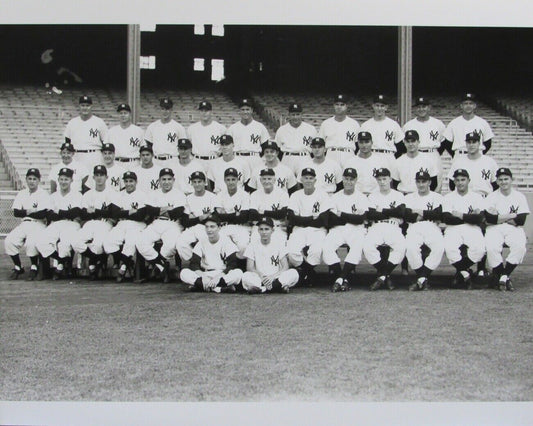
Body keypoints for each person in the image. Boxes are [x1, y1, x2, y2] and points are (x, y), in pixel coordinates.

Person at [135, 168, 187, 283]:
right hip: (157, 222)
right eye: (163, 179)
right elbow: (149, 211)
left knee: (171, 245)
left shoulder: (179, 194)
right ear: (159, 180)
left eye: (169, 179)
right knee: (140, 241)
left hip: (173, 224)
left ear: (173, 180)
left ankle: (158, 265)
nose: (166, 182)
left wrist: (158, 209)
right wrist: (167, 209)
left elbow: (177, 212)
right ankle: (161, 265)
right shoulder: (154, 193)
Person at [322, 168, 370, 292]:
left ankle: (340, 278)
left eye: (351, 179)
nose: (348, 182)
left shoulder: (361, 197)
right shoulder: (335, 196)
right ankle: (343, 278)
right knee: (326, 247)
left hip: (356, 229)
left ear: (356, 180)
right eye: (346, 179)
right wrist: (350, 217)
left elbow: (360, 219)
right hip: (337, 229)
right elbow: (331, 219)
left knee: (357, 247)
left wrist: (341, 214)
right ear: (342, 179)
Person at [484, 168, 530, 291]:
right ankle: (503, 277)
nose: (503, 182)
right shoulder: (491, 196)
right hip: (494, 228)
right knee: (491, 247)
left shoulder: (519, 196)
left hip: (514, 228)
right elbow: (489, 219)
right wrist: (511, 215)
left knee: (520, 246)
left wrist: (499, 217)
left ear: (511, 180)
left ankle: (503, 276)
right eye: (500, 179)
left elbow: (521, 221)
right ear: (497, 181)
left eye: (506, 179)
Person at [287, 167, 332, 286]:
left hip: (317, 231)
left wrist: (302, 219)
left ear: (315, 180)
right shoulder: (295, 195)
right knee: (291, 252)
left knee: (316, 251)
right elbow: (292, 219)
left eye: (311, 178)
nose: (308, 181)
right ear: (301, 180)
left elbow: (323, 220)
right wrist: (312, 218)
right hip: (299, 230)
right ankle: (310, 273)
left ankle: (304, 275)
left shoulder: (322, 195)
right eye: (305, 178)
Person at [35, 168, 83, 280]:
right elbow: (50, 215)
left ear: (71, 180)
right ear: (58, 180)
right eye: (61, 179)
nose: (63, 182)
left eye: (66, 179)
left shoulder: (77, 195)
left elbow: (75, 213)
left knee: (64, 244)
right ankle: (62, 262)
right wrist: (66, 213)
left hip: (72, 223)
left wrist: (59, 212)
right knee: (41, 242)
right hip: (56, 224)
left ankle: (62, 266)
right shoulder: (53, 196)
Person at [363, 168, 406, 291]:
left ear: (390, 179)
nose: (382, 182)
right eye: (379, 179)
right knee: (367, 247)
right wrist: (392, 212)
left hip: (393, 226)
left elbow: (401, 212)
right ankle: (386, 275)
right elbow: (370, 215)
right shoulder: (372, 196)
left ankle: (382, 276)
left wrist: (381, 210)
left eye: (384, 179)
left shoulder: (398, 195)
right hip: (376, 226)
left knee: (401, 247)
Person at [442, 169, 486, 289]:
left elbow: (480, 218)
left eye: (463, 179)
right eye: (457, 180)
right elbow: (447, 219)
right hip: (453, 228)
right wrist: (470, 216)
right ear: (454, 182)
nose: (460, 183)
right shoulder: (448, 197)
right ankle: (465, 272)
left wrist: (460, 215)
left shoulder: (476, 197)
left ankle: (461, 271)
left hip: (472, 228)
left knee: (480, 249)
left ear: (468, 181)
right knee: (450, 249)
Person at [71, 165, 117, 280]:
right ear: (93, 177)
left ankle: (94, 266)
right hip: (90, 223)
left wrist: (95, 211)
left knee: (98, 244)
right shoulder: (88, 194)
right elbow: (83, 214)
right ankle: (96, 260)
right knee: (75, 241)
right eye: (97, 175)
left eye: (102, 175)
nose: (99, 178)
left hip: (105, 223)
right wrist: (101, 212)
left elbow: (113, 214)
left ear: (107, 177)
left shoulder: (112, 193)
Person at [5, 168, 51, 280]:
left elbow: (42, 214)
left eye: (34, 179)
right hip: (24, 223)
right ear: (26, 179)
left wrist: (25, 212)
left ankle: (34, 266)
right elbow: (16, 212)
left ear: (39, 180)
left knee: (31, 243)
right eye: (29, 178)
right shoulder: (22, 193)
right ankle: (18, 266)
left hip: (38, 224)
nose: (31, 181)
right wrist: (29, 211)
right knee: (9, 241)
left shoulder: (43, 193)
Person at [102, 171, 148, 281]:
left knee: (130, 241)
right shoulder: (119, 195)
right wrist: (130, 212)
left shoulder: (142, 195)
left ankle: (123, 267)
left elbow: (141, 216)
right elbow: (114, 213)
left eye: (131, 181)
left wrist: (123, 212)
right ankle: (129, 262)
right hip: (122, 223)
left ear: (136, 182)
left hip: (138, 224)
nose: (128, 184)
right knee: (108, 243)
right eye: (126, 181)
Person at [180, 215, 244, 293]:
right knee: (184, 273)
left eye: (212, 227)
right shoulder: (202, 242)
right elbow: (194, 264)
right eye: (206, 227)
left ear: (219, 228)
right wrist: (203, 277)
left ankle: (201, 286)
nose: (209, 230)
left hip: (222, 274)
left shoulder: (226, 241)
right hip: (205, 273)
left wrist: (218, 277)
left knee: (238, 273)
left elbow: (232, 265)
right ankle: (218, 288)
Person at [403, 171, 445, 291]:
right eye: (418, 182)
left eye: (424, 182)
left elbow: (439, 215)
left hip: (432, 226)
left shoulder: (437, 197)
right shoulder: (409, 198)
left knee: (439, 247)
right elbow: (407, 215)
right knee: (410, 247)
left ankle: (421, 278)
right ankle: (423, 278)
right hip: (414, 226)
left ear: (430, 182)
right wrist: (429, 214)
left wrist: (420, 212)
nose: (421, 185)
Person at [242, 217, 299, 294]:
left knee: (293, 273)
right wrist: (261, 276)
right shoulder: (252, 245)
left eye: (266, 229)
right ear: (258, 230)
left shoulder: (279, 244)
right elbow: (249, 268)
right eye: (261, 229)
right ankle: (277, 287)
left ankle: (262, 289)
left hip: (276, 277)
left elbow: (285, 266)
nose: (264, 232)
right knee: (246, 276)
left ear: (272, 230)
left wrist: (272, 277)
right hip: (259, 278)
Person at [174, 171, 217, 263]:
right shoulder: (188, 198)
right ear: (191, 183)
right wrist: (200, 218)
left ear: (205, 182)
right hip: (192, 228)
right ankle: (197, 263)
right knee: (180, 243)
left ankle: (210, 264)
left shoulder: (212, 197)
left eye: (199, 181)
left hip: (207, 228)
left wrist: (193, 218)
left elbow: (215, 218)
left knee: (206, 242)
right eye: (195, 182)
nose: (197, 184)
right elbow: (184, 222)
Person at [403, 96, 446, 188]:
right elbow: (404, 144)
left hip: (432, 154)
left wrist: (434, 151)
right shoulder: (409, 125)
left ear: (429, 107)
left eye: (424, 106)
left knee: (436, 185)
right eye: (419, 107)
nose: (421, 109)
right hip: (416, 155)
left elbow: (444, 143)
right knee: (416, 183)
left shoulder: (438, 124)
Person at [440, 93, 494, 157]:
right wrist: (455, 155)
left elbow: (488, 143)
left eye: (470, 103)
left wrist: (479, 153)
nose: (468, 106)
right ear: (461, 106)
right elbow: (447, 143)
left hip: (477, 156)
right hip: (460, 155)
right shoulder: (454, 123)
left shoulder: (482, 123)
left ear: (474, 106)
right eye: (465, 103)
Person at [214, 168, 251, 259]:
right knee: (219, 243)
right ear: (224, 180)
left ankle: (241, 266)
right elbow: (218, 216)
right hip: (225, 226)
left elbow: (244, 217)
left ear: (238, 180)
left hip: (241, 226)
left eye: (233, 179)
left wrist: (225, 215)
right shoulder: (220, 195)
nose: (231, 182)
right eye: (228, 179)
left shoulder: (245, 195)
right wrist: (236, 214)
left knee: (243, 246)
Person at [447, 132, 498, 197]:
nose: (471, 145)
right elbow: (452, 184)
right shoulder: (458, 162)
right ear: (466, 144)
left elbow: (496, 184)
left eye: (474, 142)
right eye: (469, 142)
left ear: (479, 143)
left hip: (484, 198)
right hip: (465, 199)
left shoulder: (489, 162)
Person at [64, 95, 108, 169]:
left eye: (87, 105)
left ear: (91, 106)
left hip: (93, 155)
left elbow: (106, 142)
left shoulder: (99, 122)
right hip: (76, 155)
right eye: (82, 105)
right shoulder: (72, 122)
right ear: (79, 106)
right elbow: (67, 142)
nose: (85, 108)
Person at [249, 168, 289, 243]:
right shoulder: (255, 194)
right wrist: (274, 214)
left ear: (274, 180)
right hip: (259, 227)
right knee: (255, 242)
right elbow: (253, 214)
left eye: (269, 179)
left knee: (281, 244)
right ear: (260, 180)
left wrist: (263, 212)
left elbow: (282, 214)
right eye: (264, 179)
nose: (266, 181)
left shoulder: (282, 194)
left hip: (277, 227)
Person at [318, 94, 360, 166]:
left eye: (342, 104)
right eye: (337, 104)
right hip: (331, 154)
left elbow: (358, 144)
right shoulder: (326, 123)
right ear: (334, 106)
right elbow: (321, 144)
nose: (339, 107)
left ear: (346, 106)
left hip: (348, 154)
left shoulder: (354, 124)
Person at [227, 98, 270, 169]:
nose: (245, 112)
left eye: (247, 109)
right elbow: (228, 147)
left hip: (254, 158)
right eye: (243, 110)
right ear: (239, 111)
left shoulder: (260, 127)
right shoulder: (233, 128)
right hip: (238, 157)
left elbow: (265, 146)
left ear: (252, 110)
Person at [144, 97, 187, 168]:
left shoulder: (178, 127)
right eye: (163, 109)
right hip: (156, 160)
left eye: (167, 109)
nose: (165, 111)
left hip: (172, 160)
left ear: (171, 110)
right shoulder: (152, 126)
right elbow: (149, 145)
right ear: (160, 110)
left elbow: (183, 146)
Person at [394, 130, 440, 194]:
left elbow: (434, 182)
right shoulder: (398, 161)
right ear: (404, 143)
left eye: (413, 141)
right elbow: (395, 183)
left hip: (422, 196)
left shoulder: (428, 160)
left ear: (418, 142)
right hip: (404, 196)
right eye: (408, 141)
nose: (410, 144)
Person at [276, 102, 316, 175]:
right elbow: (277, 149)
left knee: (304, 181)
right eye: (293, 114)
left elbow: (315, 148)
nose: (295, 117)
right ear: (289, 115)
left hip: (304, 157)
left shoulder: (311, 129)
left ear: (301, 115)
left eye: (297, 114)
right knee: (286, 181)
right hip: (288, 158)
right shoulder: (281, 130)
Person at [360, 94, 404, 159]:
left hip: (388, 155)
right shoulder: (365, 125)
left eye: (382, 106)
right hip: (372, 156)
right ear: (373, 106)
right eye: (377, 106)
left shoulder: (393, 124)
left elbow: (400, 146)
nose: (379, 108)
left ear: (386, 107)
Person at [187, 100, 226, 167]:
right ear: (199, 112)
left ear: (211, 112)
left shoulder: (221, 128)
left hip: (214, 160)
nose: (204, 113)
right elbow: (187, 147)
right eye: (202, 111)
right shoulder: (192, 128)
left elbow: (225, 147)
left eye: (206, 111)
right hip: (197, 161)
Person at [105, 103, 143, 169]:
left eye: (125, 113)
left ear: (130, 115)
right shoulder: (111, 131)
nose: (123, 115)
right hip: (117, 162)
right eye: (121, 113)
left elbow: (143, 149)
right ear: (118, 115)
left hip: (133, 163)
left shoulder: (138, 131)